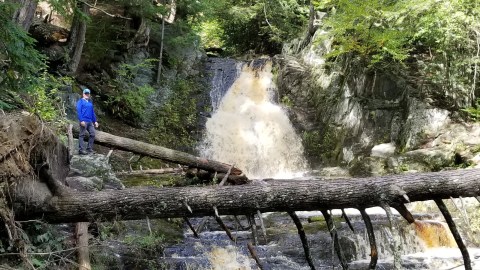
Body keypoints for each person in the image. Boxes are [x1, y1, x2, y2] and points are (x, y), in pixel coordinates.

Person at [76, 88, 99, 155]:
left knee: (92, 134)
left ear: (89, 94)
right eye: (85, 93)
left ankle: (89, 149)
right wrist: (81, 120)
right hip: (84, 121)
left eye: (88, 93)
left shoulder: (90, 103)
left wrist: (95, 121)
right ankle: (81, 149)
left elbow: (92, 113)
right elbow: (79, 111)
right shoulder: (80, 102)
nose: (87, 95)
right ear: (83, 94)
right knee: (82, 135)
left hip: (90, 122)